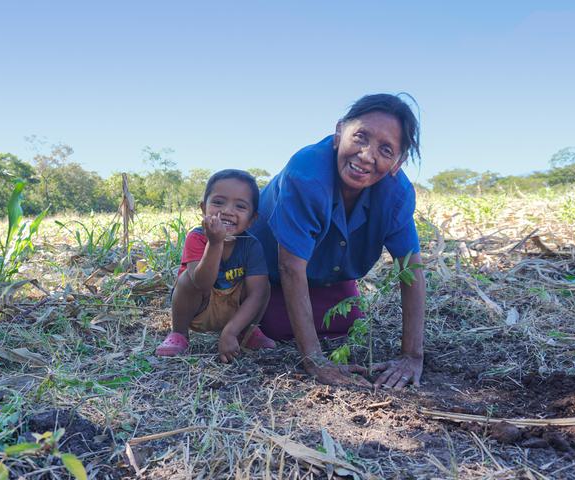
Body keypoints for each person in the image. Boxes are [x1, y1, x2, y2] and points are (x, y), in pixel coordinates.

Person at [249, 93, 426, 389]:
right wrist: (315, 360)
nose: (367, 156)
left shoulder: (397, 194)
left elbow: (412, 273)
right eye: (360, 137)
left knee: (347, 323)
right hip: (264, 273)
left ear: (398, 162)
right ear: (338, 132)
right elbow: (290, 268)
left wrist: (412, 355)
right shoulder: (306, 174)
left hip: (327, 275)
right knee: (275, 326)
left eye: (385, 149)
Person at [156, 169, 276, 362]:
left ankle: (246, 332)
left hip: (233, 310)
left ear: (252, 219)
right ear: (204, 208)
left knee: (263, 287)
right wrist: (215, 243)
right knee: (187, 279)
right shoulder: (196, 238)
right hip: (200, 308)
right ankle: (179, 334)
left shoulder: (252, 246)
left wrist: (229, 332)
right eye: (218, 202)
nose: (227, 211)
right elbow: (201, 283)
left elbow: (257, 295)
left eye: (240, 206)